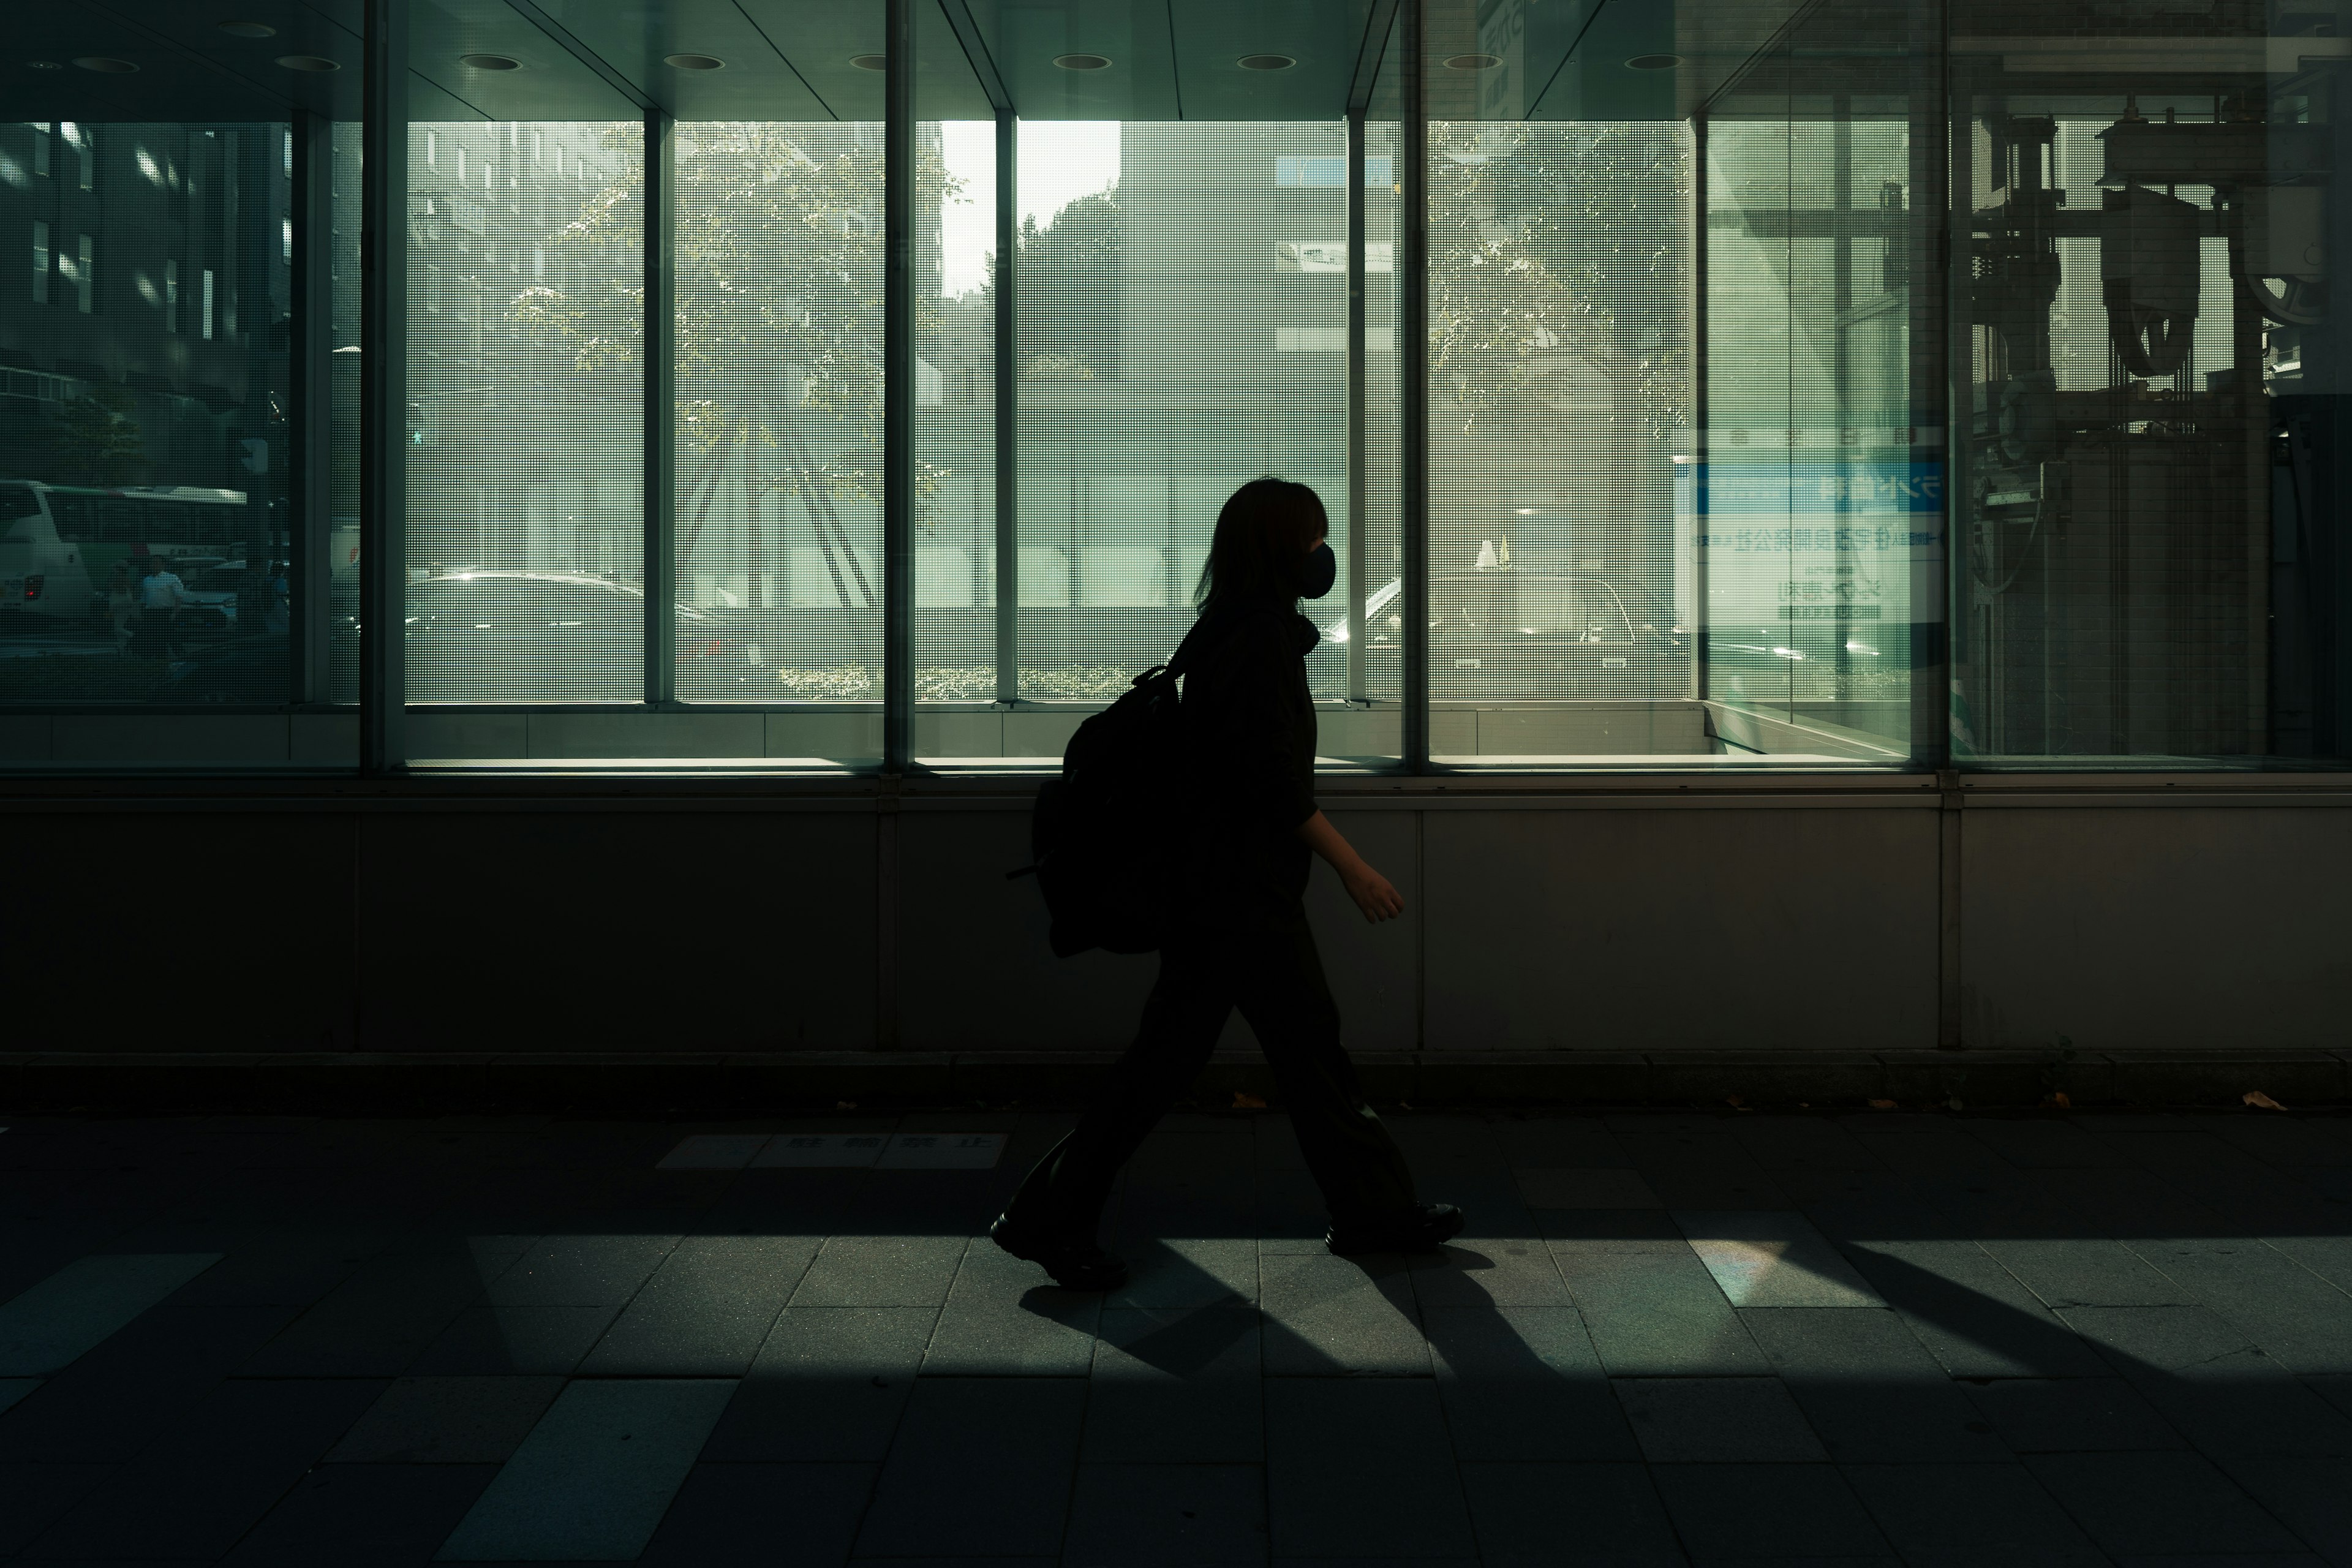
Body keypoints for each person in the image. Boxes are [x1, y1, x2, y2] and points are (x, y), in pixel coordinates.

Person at [991, 477, 1462, 1290]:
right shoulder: (1257, 644)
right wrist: (1353, 867)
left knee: (1257, 1055)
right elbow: (1267, 783)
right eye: (1313, 540)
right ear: (1283, 550)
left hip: (1225, 895)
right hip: (1240, 902)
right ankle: (1051, 1217)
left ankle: (1371, 1210)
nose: (1324, 555)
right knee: (1259, 1058)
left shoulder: (1228, 631)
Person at [137, 556, 192, 662]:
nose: (154, 565)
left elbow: (179, 596)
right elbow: (144, 597)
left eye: (157, 563)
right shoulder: (147, 579)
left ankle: (183, 657)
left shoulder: (171, 578)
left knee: (171, 636)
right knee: (155, 637)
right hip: (151, 612)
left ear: (163, 565)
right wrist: (141, 612)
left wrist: (175, 612)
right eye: (152, 563)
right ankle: (161, 658)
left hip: (166, 611)